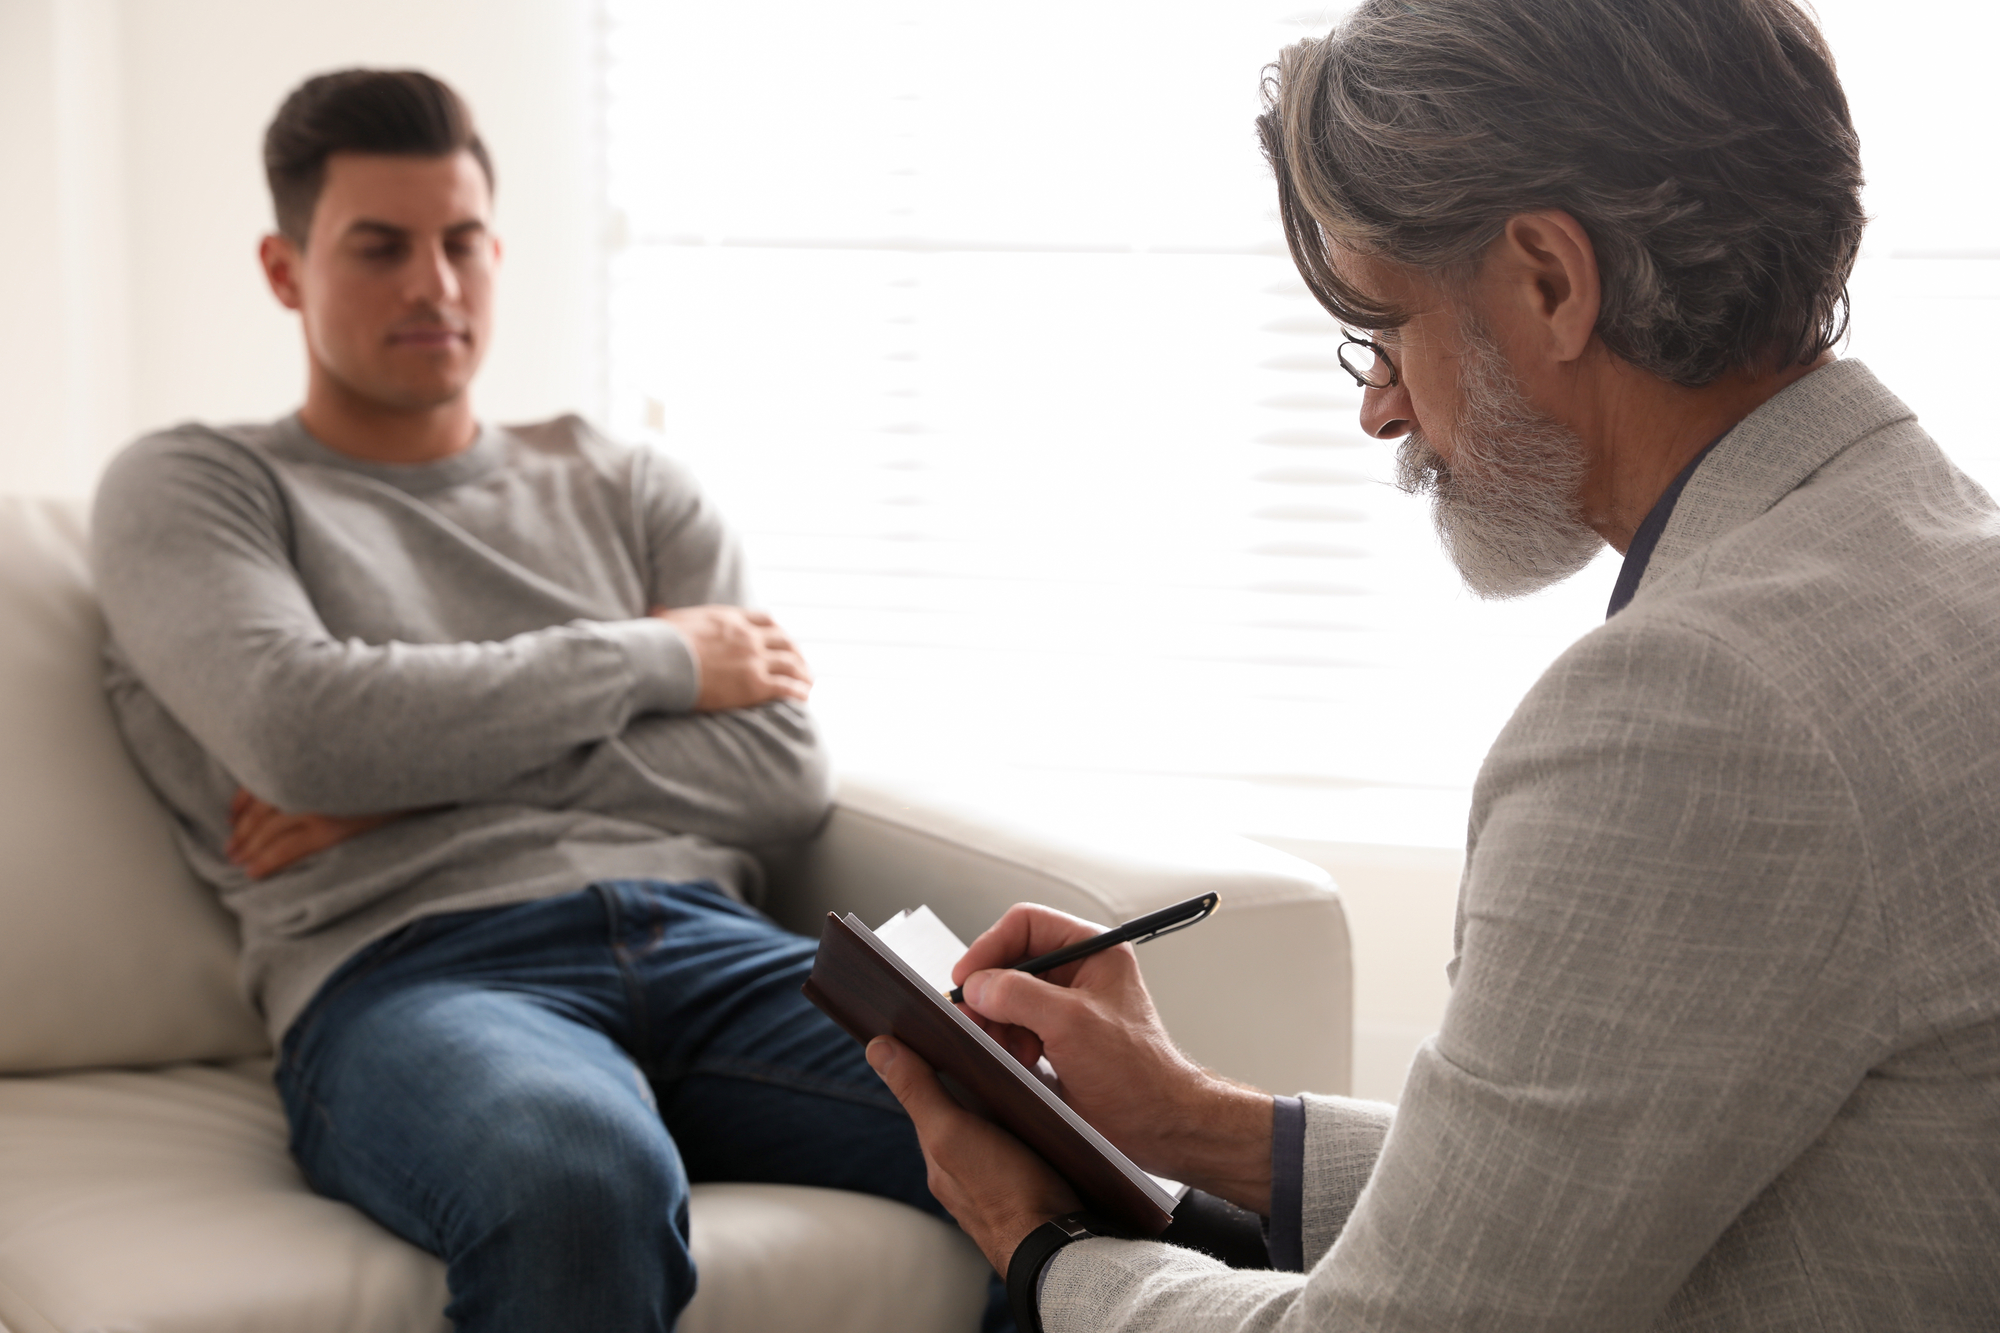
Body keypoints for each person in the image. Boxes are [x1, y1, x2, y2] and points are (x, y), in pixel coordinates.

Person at [866, 1, 2000, 1329]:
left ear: (1549, 283)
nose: (1376, 404)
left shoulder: (1696, 705)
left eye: (1381, 325)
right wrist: (1198, 1123)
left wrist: (1043, 1239)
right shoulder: (1937, 562)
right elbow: (1582, 1172)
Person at [89, 68, 973, 1333]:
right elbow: (301, 731)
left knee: (1039, 1116)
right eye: (380, 247)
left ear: (497, 251)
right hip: (413, 973)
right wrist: (654, 662)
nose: (433, 286)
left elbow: (777, 772)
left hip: (705, 939)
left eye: (460, 244)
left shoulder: (630, 486)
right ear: (285, 270)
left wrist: (408, 772)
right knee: (576, 1177)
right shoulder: (198, 486)